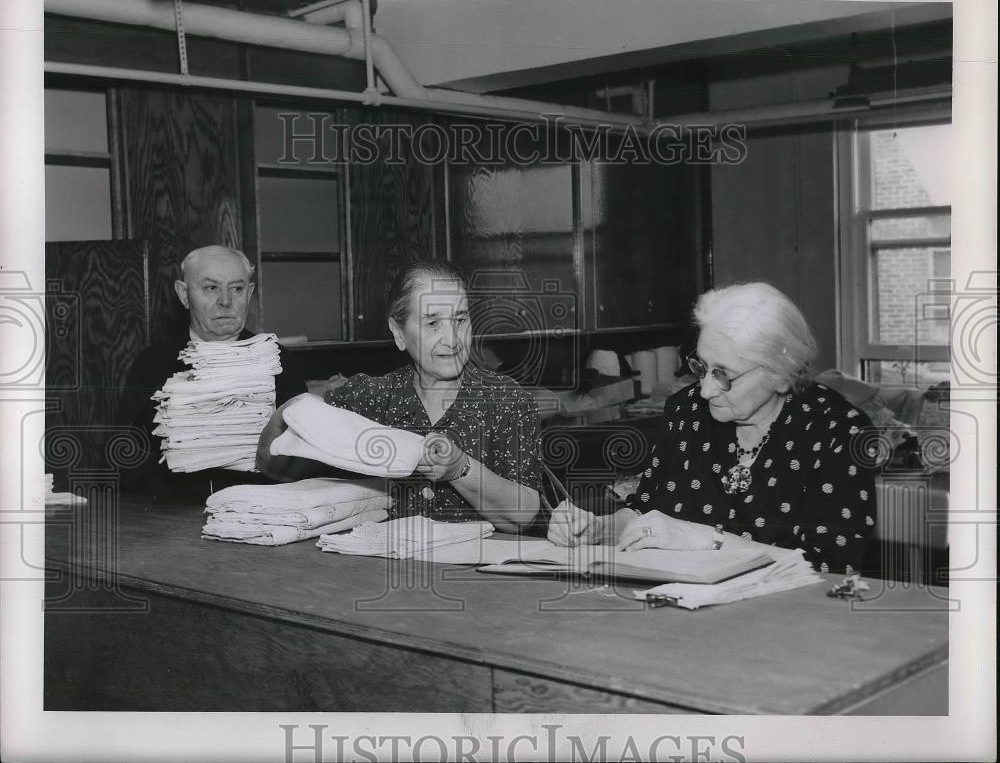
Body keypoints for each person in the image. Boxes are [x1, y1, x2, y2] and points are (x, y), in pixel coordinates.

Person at [548, 282, 878, 573]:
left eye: (723, 374)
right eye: (701, 367)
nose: (705, 389)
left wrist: (706, 540)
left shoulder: (837, 432)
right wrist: (600, 529)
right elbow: (646, 512)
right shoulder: (687, 411)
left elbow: (830, 568)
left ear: (780, 374)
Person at [257, 259, 542, 533]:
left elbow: (524, 516)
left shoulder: (505, 400)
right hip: (378, 568)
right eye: (433, 323)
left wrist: (461, 469)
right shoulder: (369, 397)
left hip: (473, 576)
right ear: (399, 332)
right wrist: (294, 411)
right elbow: (273, 465)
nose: (453, 339)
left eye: (460, 319)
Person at [118, 245, 306, 499]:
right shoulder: (153, 365)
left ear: (249, 293)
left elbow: (301, 458)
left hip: (259, 506)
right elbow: (125, 459)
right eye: (211, 288)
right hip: (173, 512)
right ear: (184, 295)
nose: (225, 301)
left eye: (237, 288)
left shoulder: (278, 361)